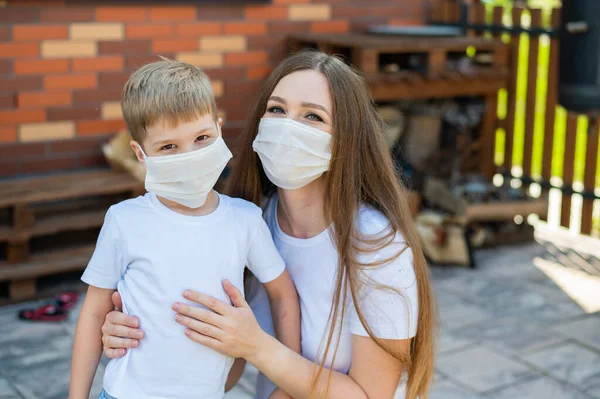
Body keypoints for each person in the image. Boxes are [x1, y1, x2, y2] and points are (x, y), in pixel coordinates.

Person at [101, 50, 436, 399]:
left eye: (312, 116)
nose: (288, 126)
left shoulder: (377, 246)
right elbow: (221, 375)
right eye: (277, 110)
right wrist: (143, 337)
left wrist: (257, 346)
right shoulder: (249, 223)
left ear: (345, 139)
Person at [69, 59, 300, 399]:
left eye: (202, 137)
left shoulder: (244, 220)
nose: (189, 155)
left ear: (219, 129)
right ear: (140, 153)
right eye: (168, 146)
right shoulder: (124, 220)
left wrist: (288, 380)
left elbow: (283, 294)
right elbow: (93, 312)